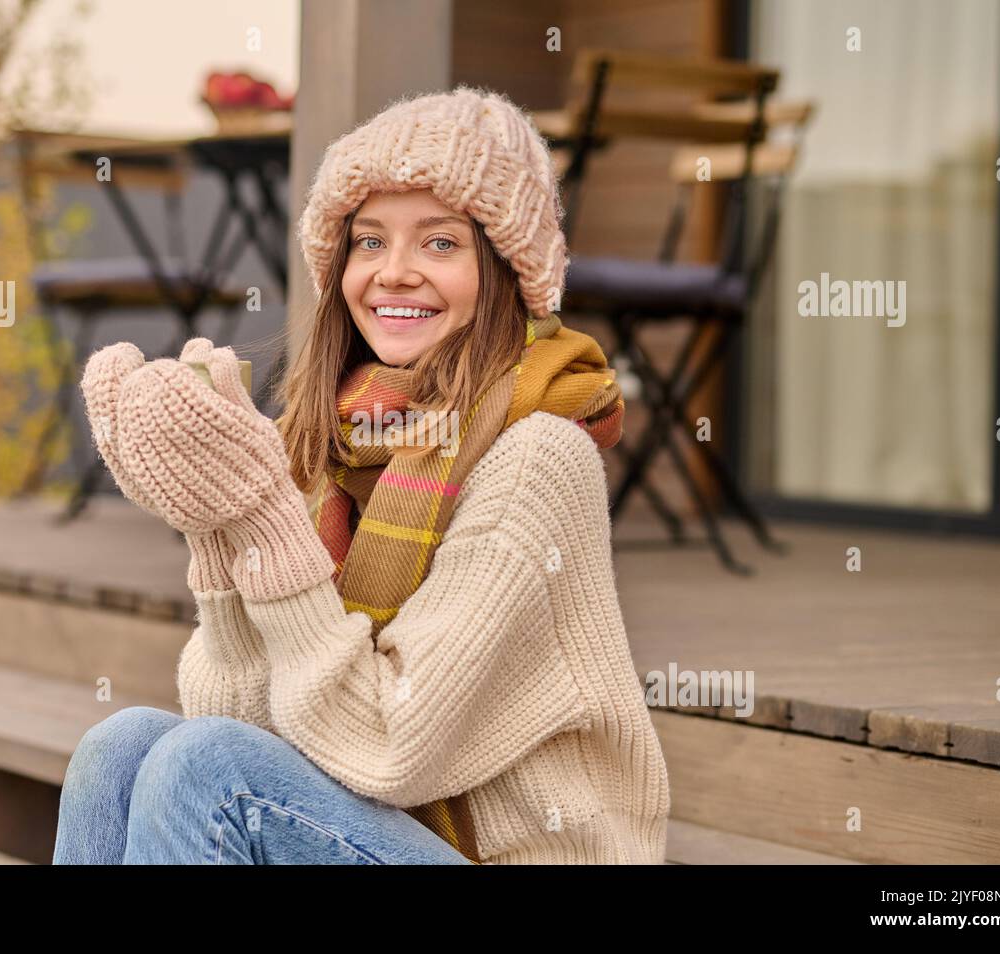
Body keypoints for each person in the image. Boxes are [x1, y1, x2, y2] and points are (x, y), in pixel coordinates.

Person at [53, 85, 670, 865]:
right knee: (124, 744)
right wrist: (216, 529)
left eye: (440, 244)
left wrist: (266, 522)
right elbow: (248, 718)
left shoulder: (539, 457)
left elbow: (385, 746)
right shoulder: (336, 443)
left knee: (204, 767)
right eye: (369, 241)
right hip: (386, 826)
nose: (394, 273)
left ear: (507, 268)